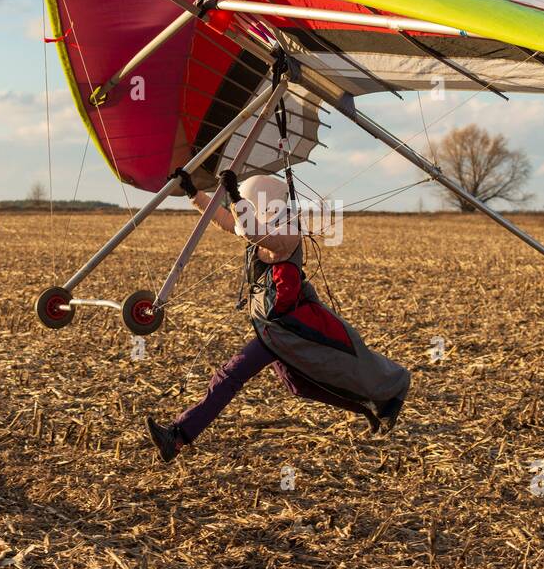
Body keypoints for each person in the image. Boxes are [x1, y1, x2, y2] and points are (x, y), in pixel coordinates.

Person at [145, 168, 410, 462]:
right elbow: (226, 221)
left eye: (248, 203)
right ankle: (369, 407)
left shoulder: (286, 234)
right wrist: (193, 192)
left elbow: (252, 230)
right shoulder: (262, 227)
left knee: (229, 375)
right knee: (298, 385)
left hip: (284, 325)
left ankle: (178, 436)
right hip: (270, 323)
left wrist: (234, 196)